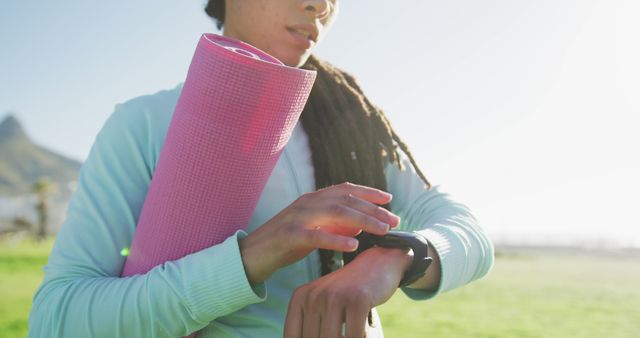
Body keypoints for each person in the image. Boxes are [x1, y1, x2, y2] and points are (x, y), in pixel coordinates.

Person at [28, 0, 494, 337]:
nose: (320, 7)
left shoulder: (351, 131)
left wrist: (395, 257)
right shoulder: (144, 123)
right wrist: (252, 257)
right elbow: (57, 320)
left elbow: (470, 233)